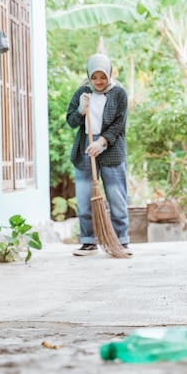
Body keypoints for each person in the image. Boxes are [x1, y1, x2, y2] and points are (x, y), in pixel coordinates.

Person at [66, 54, 130, 256]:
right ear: (89, 76)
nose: (99, 82)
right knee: (85, 198)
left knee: (116, 197)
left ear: (110, 74)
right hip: (85, 149)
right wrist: (81, 111)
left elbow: (120, 123)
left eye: (103, 76)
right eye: (95, 77)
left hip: (111, 149)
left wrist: (102, 142)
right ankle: (89, 242)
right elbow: (71, 121)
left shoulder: (119, 93)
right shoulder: (82, 92)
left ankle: (121, 241)